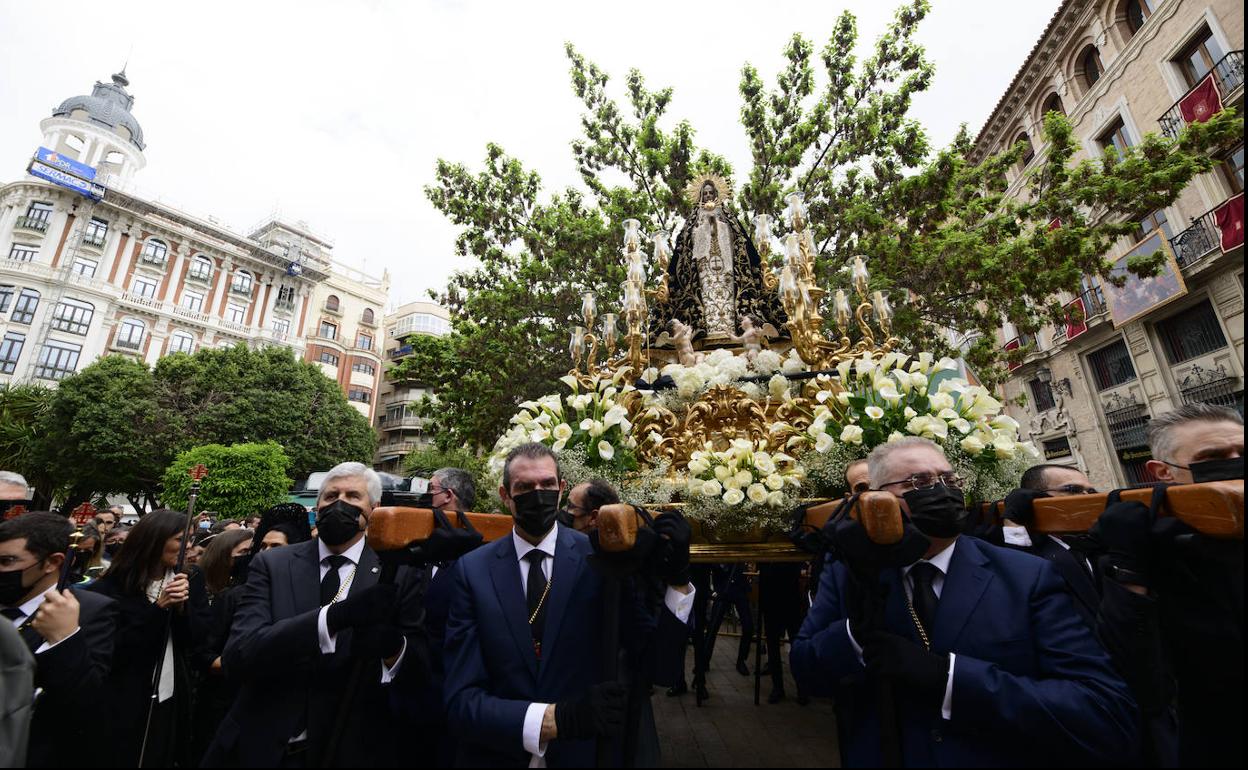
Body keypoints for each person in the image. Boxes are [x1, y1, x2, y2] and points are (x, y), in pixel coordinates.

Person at [791, 437, 1138, 766]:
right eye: (918, 482)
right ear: (879, 499)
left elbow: (1101, 710)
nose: (942, 491)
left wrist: (950, 679)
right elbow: (807, 671)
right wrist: (856, 634)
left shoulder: (1025, 575)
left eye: (949, 479)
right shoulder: (850, 570)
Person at [443, 442, 693, 767]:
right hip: (498, 754)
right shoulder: (472, 570)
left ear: (561, 489)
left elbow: (658, 666)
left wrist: (677, 580)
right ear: (506, 495)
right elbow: (461, 700)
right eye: (525, 487)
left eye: (547, 484)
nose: (538, 493)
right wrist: (557, 719)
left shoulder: (600, 562)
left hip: (584, 756)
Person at [203, 461, 430, 767]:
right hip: (262, 746)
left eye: (353, 496)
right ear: (317, 505)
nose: (339, 503)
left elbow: (418, 666)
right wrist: (331, 620)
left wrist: (393, 649)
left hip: (349, 746)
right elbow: (240, 654)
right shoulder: (274, 564)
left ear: (373, 509)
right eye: (331, 495)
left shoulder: (398, 572)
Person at [1094, 403, 1243, 767]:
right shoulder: (1148, 554)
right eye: (1214, 457)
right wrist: (1129, 571)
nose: (1236, 462)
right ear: (1163, 472)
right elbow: (1139, 679)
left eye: (1242, 453)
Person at [88, 509, 210, 767]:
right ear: (153, 539)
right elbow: (115, 647)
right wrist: (159, 609)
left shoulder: (189, 580)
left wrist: (182, 611)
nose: (187, 546)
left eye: (190, 539)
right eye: (180, 539)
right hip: (123, 694)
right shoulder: (110, 586)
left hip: (170, 692)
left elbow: (197, 640)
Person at [1, 512, 118, 767]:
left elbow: (87, 708)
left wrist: (64, 640)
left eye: (7, 561)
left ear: (52, 562)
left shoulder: (90, 611)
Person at [984, 464, 1100, 627]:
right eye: (1073, 489)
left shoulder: (1094, 542)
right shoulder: (1023, 548)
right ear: (1037, 498)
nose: (1086, 497)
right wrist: (1013, 524)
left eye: (1092, 492)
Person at [190, 528, 254, 764]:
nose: (249, 557)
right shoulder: (202, 589)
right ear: (223, 554)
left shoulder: (248, 591)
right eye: (243, 552)